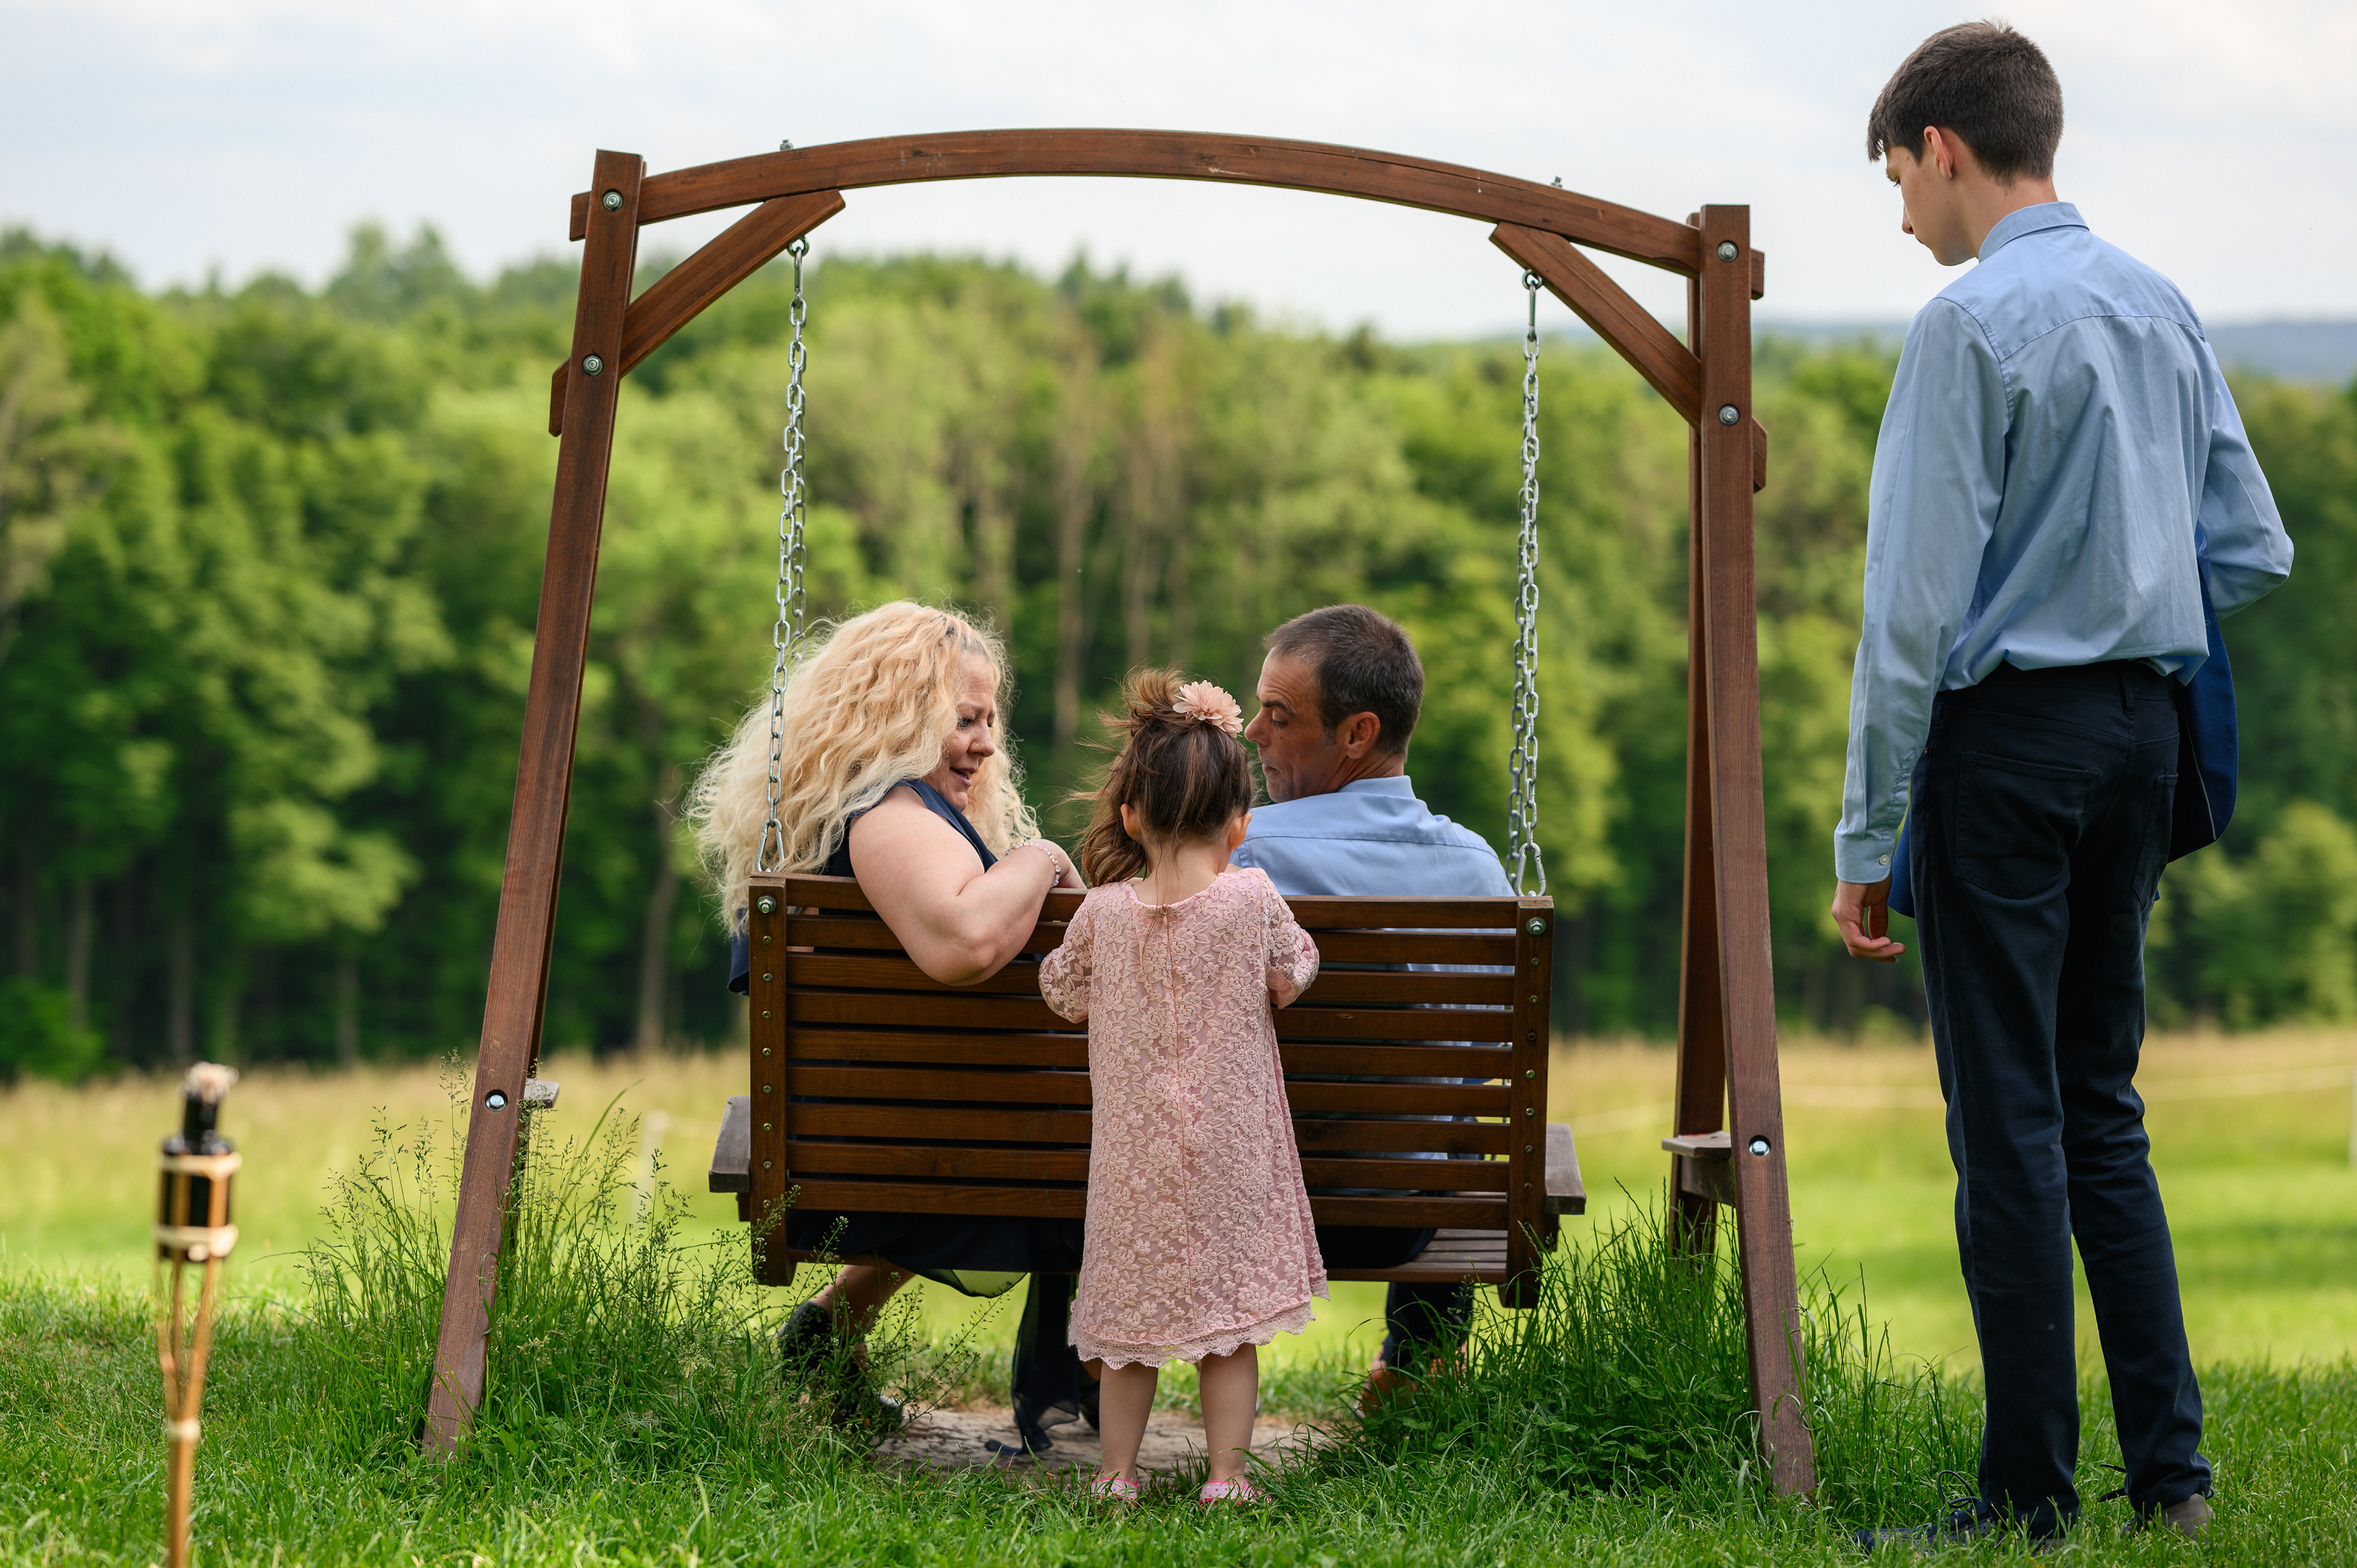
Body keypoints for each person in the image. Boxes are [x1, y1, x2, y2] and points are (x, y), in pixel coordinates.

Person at [1829, 24, 2293, 1549]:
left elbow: (1909, 619)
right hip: (2145, 737)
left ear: (1944, 149)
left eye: (1898, 180)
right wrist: (2127, 585)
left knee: (2009, 1123)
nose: (1905, 215)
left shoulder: (1965, 327)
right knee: (2103, 1104)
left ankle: (2026, 1497)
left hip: (2009, 751)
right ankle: (2173, 1481)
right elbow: (2253, 546)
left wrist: (1866, 836)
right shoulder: (2160, 302)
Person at [689, 601, 1088, 1429]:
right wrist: (1044, 856)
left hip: (874, 1129)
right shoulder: (892, 821)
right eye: (964, 720)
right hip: (917, 1142)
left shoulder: (839, 825)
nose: (986, 743)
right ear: (901, 719)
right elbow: (964, 944)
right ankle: (1087, 1381)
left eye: (989, 721)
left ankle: (835, 1322)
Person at [1039, 670, 1327, 1505]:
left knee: (1127, 1333)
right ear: (1240, 824)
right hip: (1232, 1159)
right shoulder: (1253, 899)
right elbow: (1294, 973)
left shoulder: (1102, 913)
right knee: (1228, 1331)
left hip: (1132, 1164)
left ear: (1131, 816)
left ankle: (1115, 1474)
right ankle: (1226, 1477)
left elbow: (1061, 992)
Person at [1228, 603, 1514, 1404]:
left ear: (1357, 734)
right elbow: (1477, 1065)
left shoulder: (1242, 856)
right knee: (1453, 1115)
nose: (1253, 731)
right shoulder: (1478, 872)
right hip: (1404, 1217)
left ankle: (1076, 1380)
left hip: (1246, 1202)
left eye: (1279, 715)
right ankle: (1420, 1365)